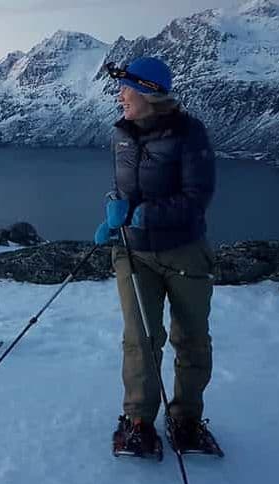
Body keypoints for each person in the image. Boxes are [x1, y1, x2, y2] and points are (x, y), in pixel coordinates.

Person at [94, 57, 221, 458]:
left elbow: (197, 198)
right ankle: (138, 422)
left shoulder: (189, 133)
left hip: (183, 250)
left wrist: (147, 213)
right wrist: (115, 213)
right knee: (141, 339)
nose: (120, 96)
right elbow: (123, 189)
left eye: (126, 89)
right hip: (133, 251)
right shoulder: (121, 135)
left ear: (149, 92)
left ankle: (186, 419)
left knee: (191, 338)